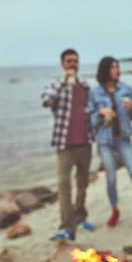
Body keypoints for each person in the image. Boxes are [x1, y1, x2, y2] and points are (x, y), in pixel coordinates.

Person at [88, 57, 132, 228]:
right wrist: (101, 113)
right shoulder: (95, 93)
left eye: (117, 67)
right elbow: (89, 120)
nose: (116, 71)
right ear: (104, 71)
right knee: (110, 177)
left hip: (123, 139)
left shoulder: (126, 89)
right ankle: (115, 210)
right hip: (104, 141)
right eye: (112, 68)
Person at [41, 48, 94, 241]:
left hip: (85, 143)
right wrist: (64, 82)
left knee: (83, 184)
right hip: (64, 145)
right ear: (63, 64)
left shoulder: (85, 86)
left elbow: (92, 110)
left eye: (75, 61)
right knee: (64, 185)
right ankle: (66, 226)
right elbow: (46, 101)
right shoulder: (55, 85)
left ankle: (80, 217)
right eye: (69, 61)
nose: (73, 64)